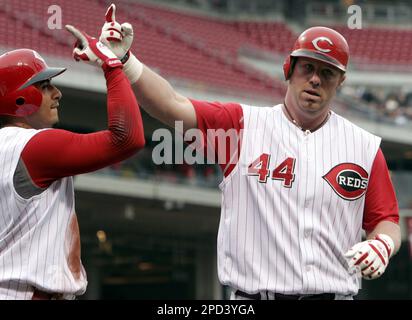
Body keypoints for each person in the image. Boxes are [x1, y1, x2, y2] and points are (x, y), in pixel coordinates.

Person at [99, 4, 401, 299]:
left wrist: (383, 244)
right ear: (289, 68)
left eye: (328, 73)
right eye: (308, 67)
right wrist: (126, 60)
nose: (315, 79)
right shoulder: (241, 125)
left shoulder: (363, 146)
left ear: (341, 81)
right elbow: (172, 105)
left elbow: (385, 220)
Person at [0, 24, 145, 299]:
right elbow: (128, 138)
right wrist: (113, 65)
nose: (57, 93)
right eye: (45, 86)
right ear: (20, 97)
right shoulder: (36, 146)